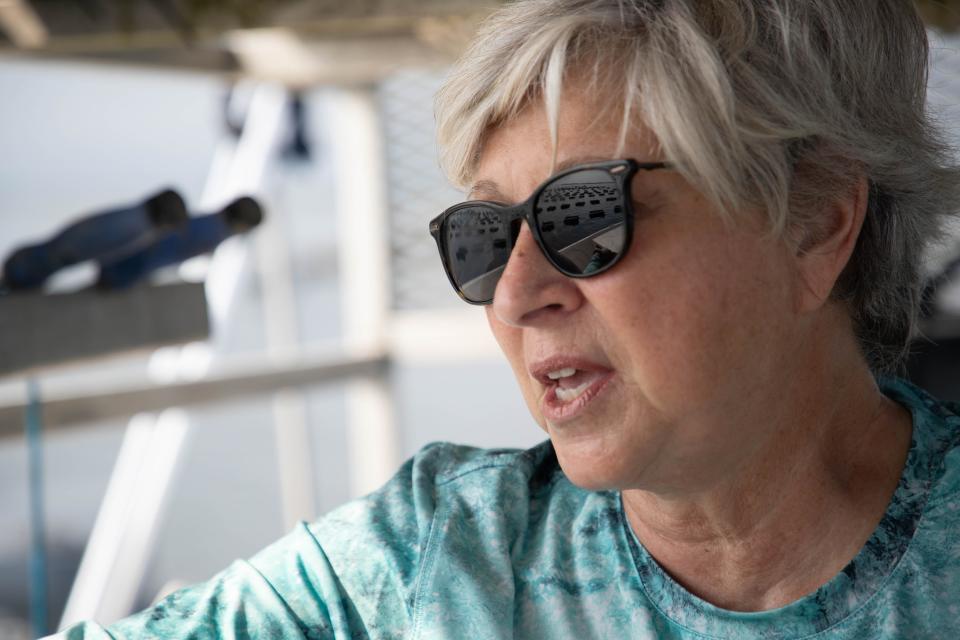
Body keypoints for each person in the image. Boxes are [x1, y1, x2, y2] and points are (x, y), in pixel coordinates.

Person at [55, 0, 960, 638]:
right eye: (486, 236)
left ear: (817, 224)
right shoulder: (428, 563)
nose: (516, 294)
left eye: (582, 217)